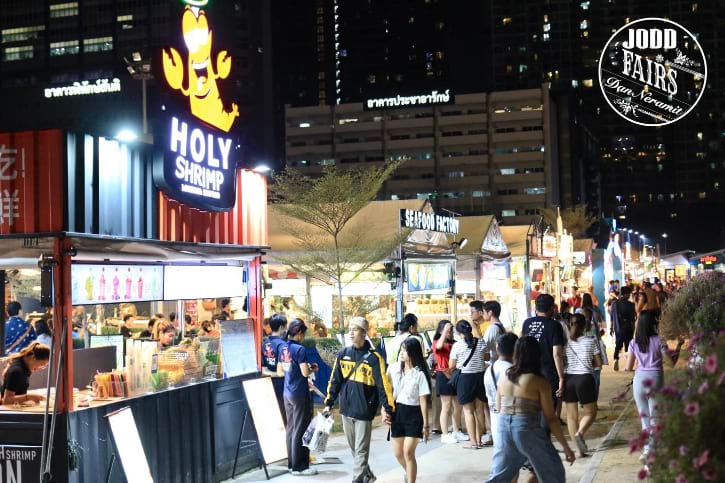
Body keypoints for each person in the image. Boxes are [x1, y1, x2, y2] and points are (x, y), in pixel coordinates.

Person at [485, 336, 575, 483]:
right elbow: (551, 418)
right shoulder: (539, 381)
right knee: (553, 470)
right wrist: (566, 447)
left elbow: (500, 408)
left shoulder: (506, 377)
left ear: (516, 354)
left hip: (502, 427)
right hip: (525, 428)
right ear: (537, 355)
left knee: (500, 477)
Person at [324, 317, 395, 483]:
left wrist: (388, 408)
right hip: (346, 409)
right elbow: (335, 380)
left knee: (361, 450)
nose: (351, 333)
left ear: (364, 333)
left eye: (355, 329)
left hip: (364, 410)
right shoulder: (343, 354)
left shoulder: (374, 358)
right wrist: (329, 403)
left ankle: (357, 480)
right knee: (355, 449)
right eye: (350, 329)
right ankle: (368, 475)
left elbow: (383, 385)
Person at [625, 311, 683, 458]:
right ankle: (650, 450)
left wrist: (637, 359)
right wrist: (678, 349)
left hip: (639, 380)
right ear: (654, 324)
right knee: (655, 417)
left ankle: (648, 450)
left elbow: (628, 367)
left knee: (644, 417)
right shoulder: (659, 341)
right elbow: (670, 363)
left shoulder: (634, 342)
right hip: (655, 378)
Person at [388, 337, 431, 483]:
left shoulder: (419, 374)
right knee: (398, 453)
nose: (402, 352)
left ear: (413, 353)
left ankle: (411, 480)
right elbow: (386, 390)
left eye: (405, 350)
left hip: (413, 415)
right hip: (397, 413)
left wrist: (426, 424)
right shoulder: (394, 369)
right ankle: (409, 473)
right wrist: (384, 409)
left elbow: (423, 400)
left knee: (408, 453)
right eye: (401, 349)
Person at [563, 314, 602, 457]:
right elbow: (598, 364)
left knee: (571, 416)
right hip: (584, 379)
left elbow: (563, 360)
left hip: (569, 380)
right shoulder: (591, 340)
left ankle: (579, 450)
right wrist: (588, 363)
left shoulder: (566, 342)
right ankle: (580, 433)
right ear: (585, 326)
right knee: (590, 413)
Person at [284, 319, 319, 476]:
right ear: (299, 333)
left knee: (291, 428)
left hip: (287, 392)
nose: (304, 337)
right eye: (304, 334)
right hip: (299, 393)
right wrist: (313, 368)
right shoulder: (300, 349)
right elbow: (305, 373)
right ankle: (300, 467)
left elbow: (280, 370)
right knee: (301, 429)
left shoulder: (284, 347)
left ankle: (292, 463)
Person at [448, 320, 488, 449]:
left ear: (459, 333)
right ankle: (480, 439)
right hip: (480, 377)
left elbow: (451, 366)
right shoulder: (480, 342)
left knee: (468, 411)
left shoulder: (457, 346)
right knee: (479, 410)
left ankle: (473, 442)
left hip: (466, 379)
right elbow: (486, 356)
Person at [522, 294, 566, 408]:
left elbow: (520, 346)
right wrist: (561, 377)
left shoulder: (527, 323)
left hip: (529, 372)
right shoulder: (554, 325)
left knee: (533, 408)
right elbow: (557, 354)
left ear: (535, 308)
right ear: (552, 308)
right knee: (548, 409)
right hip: (548, 373)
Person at [432, 320, 466, 444]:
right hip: (443, 374)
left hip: (455, 374)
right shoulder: (437, 342)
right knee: (446, 406)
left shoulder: (455, 343)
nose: (450, 333)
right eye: (448, 330)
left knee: (458, 406)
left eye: (451, 330)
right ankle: (445, 434)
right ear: (441, 331)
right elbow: (439, 346)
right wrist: (445, 331)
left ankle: (456, 431)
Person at [479, 300, 506, 445]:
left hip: (494, 368)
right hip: (498, 367)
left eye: (484, 311)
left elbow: (482, 347)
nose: (483, 314)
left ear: (490, 312)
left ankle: (494, 434)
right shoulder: (500, 326)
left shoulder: (492, 329)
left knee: (493, 403)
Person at [483, 333, 518, 441]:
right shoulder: (513, 371)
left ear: (497, 349)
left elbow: (489, 395)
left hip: (496, 419)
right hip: (512, 420)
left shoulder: (490, 369)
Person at [261, 313, 290, 424]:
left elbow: (263, 368)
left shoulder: (265, 343)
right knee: (285, 416)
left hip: (269, 384)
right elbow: (284, 369)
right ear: (282, 327)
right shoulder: (282, 345)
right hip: (283, 384)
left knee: (274, 416)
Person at [610, 286, 636, 371]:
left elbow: (612, 317)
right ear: (627, 294)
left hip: (618, 328)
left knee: (618, 344)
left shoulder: (614, 303)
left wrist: (611, 328)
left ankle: (616, 359)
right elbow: (633, 318)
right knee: (628, 346)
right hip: (628, 327)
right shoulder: (630, 305)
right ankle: (627, 364)